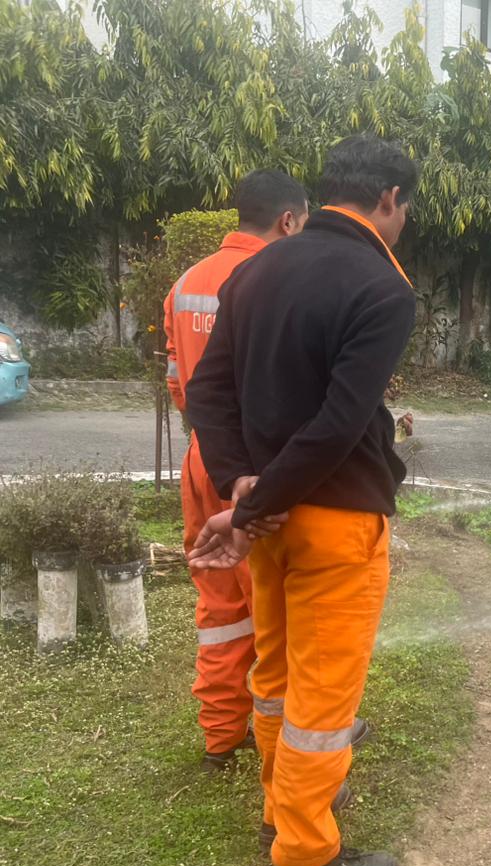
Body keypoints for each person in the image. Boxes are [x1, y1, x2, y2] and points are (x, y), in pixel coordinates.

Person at [185, 135, 420, 866]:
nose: (404, 221)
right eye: (406, 208)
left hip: (269, 523)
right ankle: (306, 860)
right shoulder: (382, 287)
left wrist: (240, 489)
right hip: (337, 519)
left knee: (277, 679)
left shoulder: (254, 271)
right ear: (388, 199)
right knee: (323, 700)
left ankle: (282, 809)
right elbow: (340, 424)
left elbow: (206, 395)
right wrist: (253, 499)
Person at [162, 170, 312, 774]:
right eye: (303, 222)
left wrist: (208, 443)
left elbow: (179, 383)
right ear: (288, 220)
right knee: (281, 611)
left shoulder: (187, 282)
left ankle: (221, 737)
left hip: (202, 457)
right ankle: (294, 742)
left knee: (219, 607)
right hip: (255, 472)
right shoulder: (281, 280)